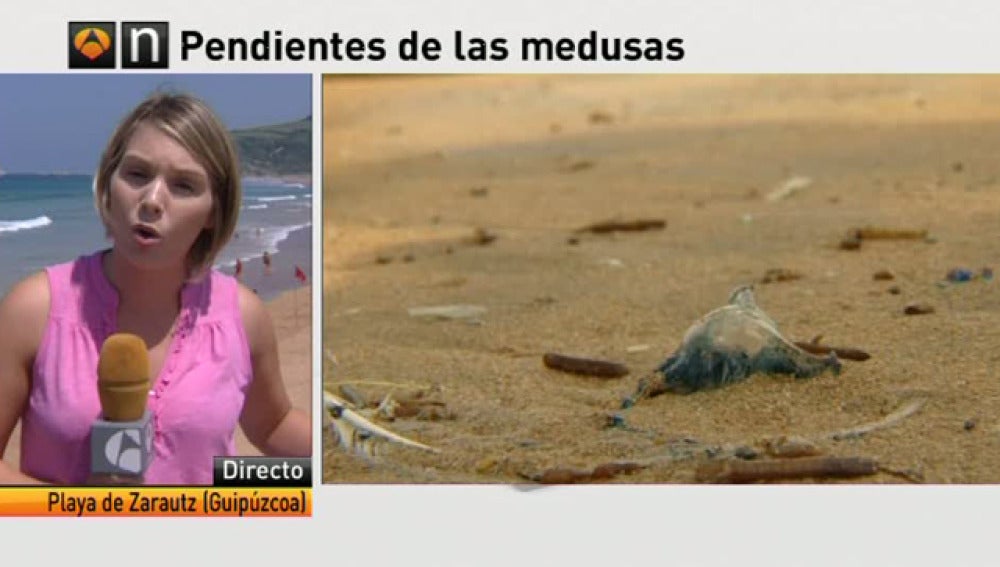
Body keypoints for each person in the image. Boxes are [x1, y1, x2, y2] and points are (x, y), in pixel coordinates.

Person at [0, 93, 311, 485]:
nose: (151, 200)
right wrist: (73, 513)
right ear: (109, 184)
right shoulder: (34, 310)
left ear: (214, 211)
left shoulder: (242, 316)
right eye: (137, 174)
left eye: (183, 185)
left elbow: (273, 425)